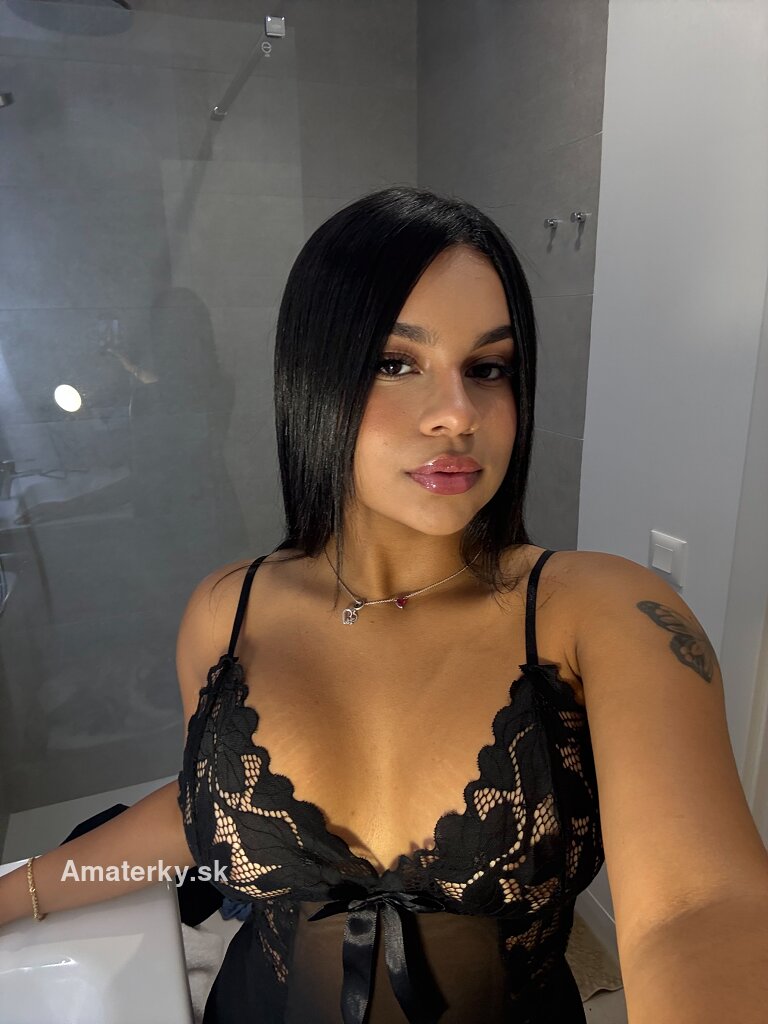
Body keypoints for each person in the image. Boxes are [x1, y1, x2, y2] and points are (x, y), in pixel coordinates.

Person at [1, 186, 767, 1024]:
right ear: (315, 376)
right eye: (397, 363)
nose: (458, 414)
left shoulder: (604, 614)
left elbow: (700, 906)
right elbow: (204, 808)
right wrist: (21, 890)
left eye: (489, 368)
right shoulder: (227, 611)